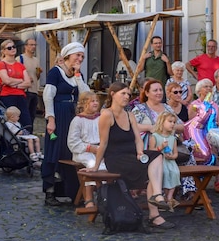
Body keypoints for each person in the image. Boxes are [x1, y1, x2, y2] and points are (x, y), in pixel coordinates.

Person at [87, 82, 175, 229]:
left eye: (128, 94)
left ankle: (156, 202)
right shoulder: (106, 115)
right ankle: (156, 211)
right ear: (113, 94)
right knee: (151, 170)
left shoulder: (130, 115)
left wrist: (140, 152)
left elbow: (138, 139)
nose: (127, 96)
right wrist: (96, 166)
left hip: (132, 156)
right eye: (123, 93)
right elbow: (103, 144)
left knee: (156, 156)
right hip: (116, 159)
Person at [42, 42, 90, 206]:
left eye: (82, 56)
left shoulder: (78, 75)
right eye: (78, 55)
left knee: (72, 151)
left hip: (73, 115)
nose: (80, 59)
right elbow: (48, 95)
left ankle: (73, 191)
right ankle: (50, 192)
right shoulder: (55, 72)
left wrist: (77, 75)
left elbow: (85, 94)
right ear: (68, 56)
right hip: (59, 114)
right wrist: (51, 119)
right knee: (56, 149)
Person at [67, 92, 106, 211]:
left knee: (106, 166)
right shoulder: (78, 120)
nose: (95, 103)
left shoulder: (101, 118)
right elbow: (72, 142)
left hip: (100, 150)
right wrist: (90, 148)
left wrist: (101, 149)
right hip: (83, 152)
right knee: (92, 165)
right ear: (84, 103)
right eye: (92, 101)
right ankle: (89, 198)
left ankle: (105, 195)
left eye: (97, 101)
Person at [0, 39, 33, 129]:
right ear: (4, 51)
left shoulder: (20, 65)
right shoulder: (1, 64)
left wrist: (15, 84)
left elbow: (28, 82)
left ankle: (25, 141)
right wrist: (21, 80)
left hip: (21, 96)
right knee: (9, 124)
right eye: (9, 48)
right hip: (7, 96)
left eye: (14, 47)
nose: (12, 49)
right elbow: (6, 80)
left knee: (26, 122)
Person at [149, 111, 182, 211]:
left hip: (170, 162)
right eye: (170, 121)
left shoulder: (173, 138)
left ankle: (169, 197)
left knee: (175, 173)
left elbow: (176, 153)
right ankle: (163, 197)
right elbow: (151, 151)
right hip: (159, 162)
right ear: (162, 122)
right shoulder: (155, 136)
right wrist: (160, 148)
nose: (172, 124)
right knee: (165, 173)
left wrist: (172, 156)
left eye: (174, 122)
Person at [19, 38, 42, 124]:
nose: (33, 47)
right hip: (25, 90)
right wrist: (26, 78)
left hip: (34, 90)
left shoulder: (36, 60)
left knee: (32, 115)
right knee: (25, 114)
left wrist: (38, 73)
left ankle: (30, 133)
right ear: (25, 46)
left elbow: (37, 77)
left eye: (35, 45)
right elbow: (16, 74)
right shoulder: (20, 59)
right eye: (31, 45)